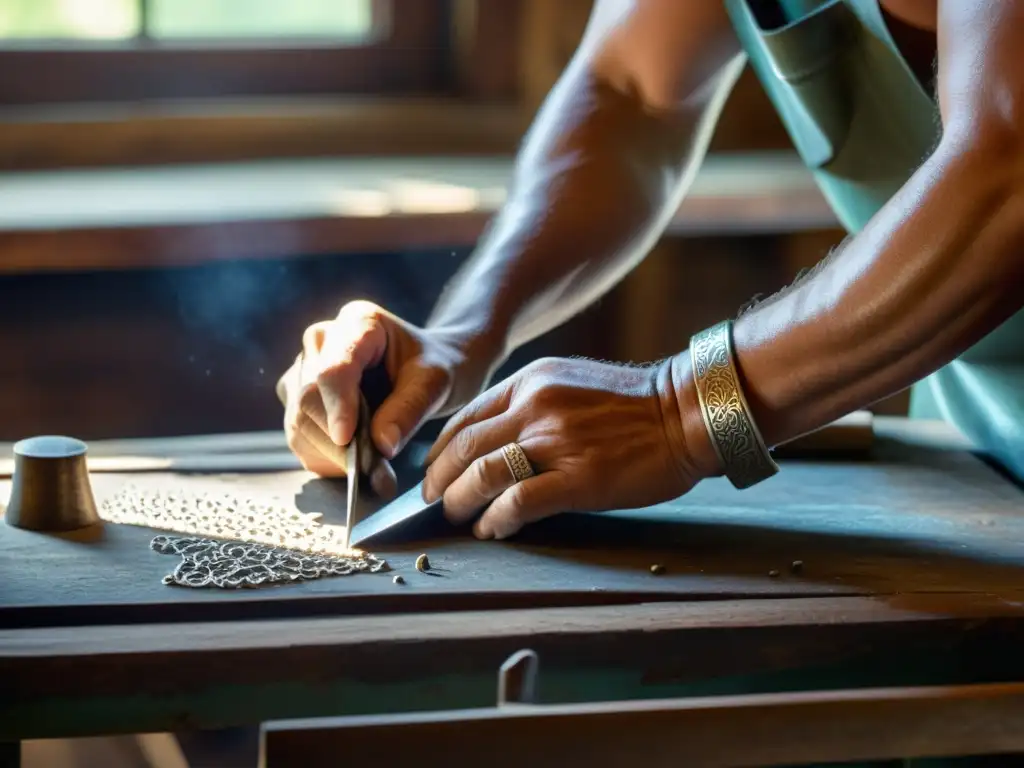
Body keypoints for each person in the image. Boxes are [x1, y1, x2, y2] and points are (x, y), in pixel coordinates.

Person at [277, 0, 1024, 542]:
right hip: (973, 462)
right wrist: (465, 333)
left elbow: (1009, 175)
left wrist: (679, 411)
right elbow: (632, 91)